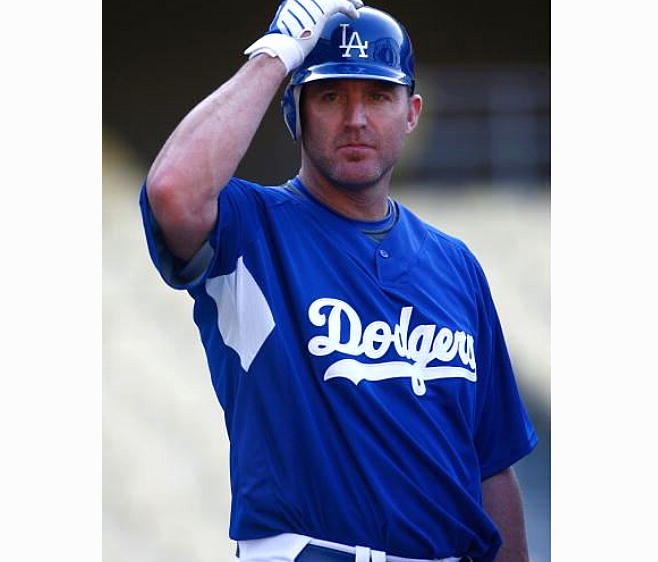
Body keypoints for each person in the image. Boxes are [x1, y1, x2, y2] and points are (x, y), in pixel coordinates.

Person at [140, 1, 538, 561]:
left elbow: (492, 465)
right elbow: (173, 191)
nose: (356, 119)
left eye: (378, 96)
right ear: (295, 112)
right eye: (330, 96)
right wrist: (277, 54)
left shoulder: (456, 264)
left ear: (412, 112)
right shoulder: (250, 229)